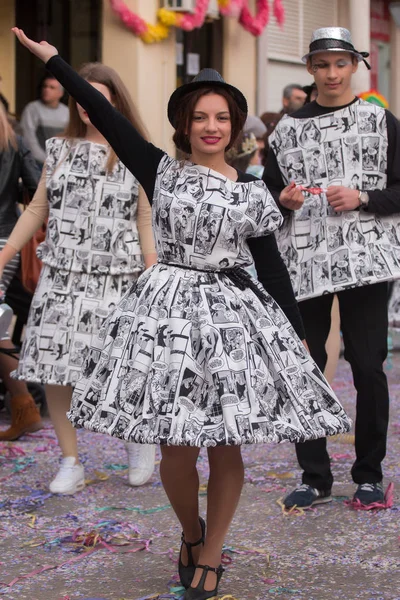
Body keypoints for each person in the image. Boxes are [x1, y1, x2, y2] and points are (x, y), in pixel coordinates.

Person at [12, 28, 351, 598]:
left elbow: (272, 271)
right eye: (200, 117)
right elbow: (101, 108)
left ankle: (212, 553)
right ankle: (191, 533)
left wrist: (300, 347)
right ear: (185, 125)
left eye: (222, 117)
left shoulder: (253, 190)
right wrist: (56, 63)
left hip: (233, 321)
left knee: (226, 444)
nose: (211, 126)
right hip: (165, 319)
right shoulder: (158, 170)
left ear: (235, 126)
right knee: (176, 447)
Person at [0, 59, 158, 494]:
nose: (87, 106)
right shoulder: (60, 149)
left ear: (116, 102)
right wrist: (7, 252)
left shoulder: (135, 150)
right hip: (62, 274)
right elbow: (37, 208)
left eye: (98, 98)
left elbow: (146, 216)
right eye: (81, 97)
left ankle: (138, 438)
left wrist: (152, 270)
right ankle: (70, 459)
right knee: (55, 367)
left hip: (119, 274)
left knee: (124, 365)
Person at [263, 26, 400, 509]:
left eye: (340, 63)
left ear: (355, 66)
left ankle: (368, 474)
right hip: (303, 263)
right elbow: (268, 201)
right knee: (307, 365)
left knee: (367, 365)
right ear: (310, 69)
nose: (332, 73)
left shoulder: (382, 122)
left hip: (367, 260)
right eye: (322, 64)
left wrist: (364, 197)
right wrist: (282, 199)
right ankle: (314, 475)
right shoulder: (285, 130)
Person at [0, 101, 42, 441]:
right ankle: (23, 406)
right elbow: (34, 184)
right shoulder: (13, 139)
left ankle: (24, 405)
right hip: (8, 236)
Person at [20, 73, 69, 167]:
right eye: (45, 86)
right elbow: (29, 139)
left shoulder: (67, 112)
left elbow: (70, 139)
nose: (47, 90)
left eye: (52, 87)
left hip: (61, 164)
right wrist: (46, 160)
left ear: (60, 93)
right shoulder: (32, 109)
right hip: (36, 164)